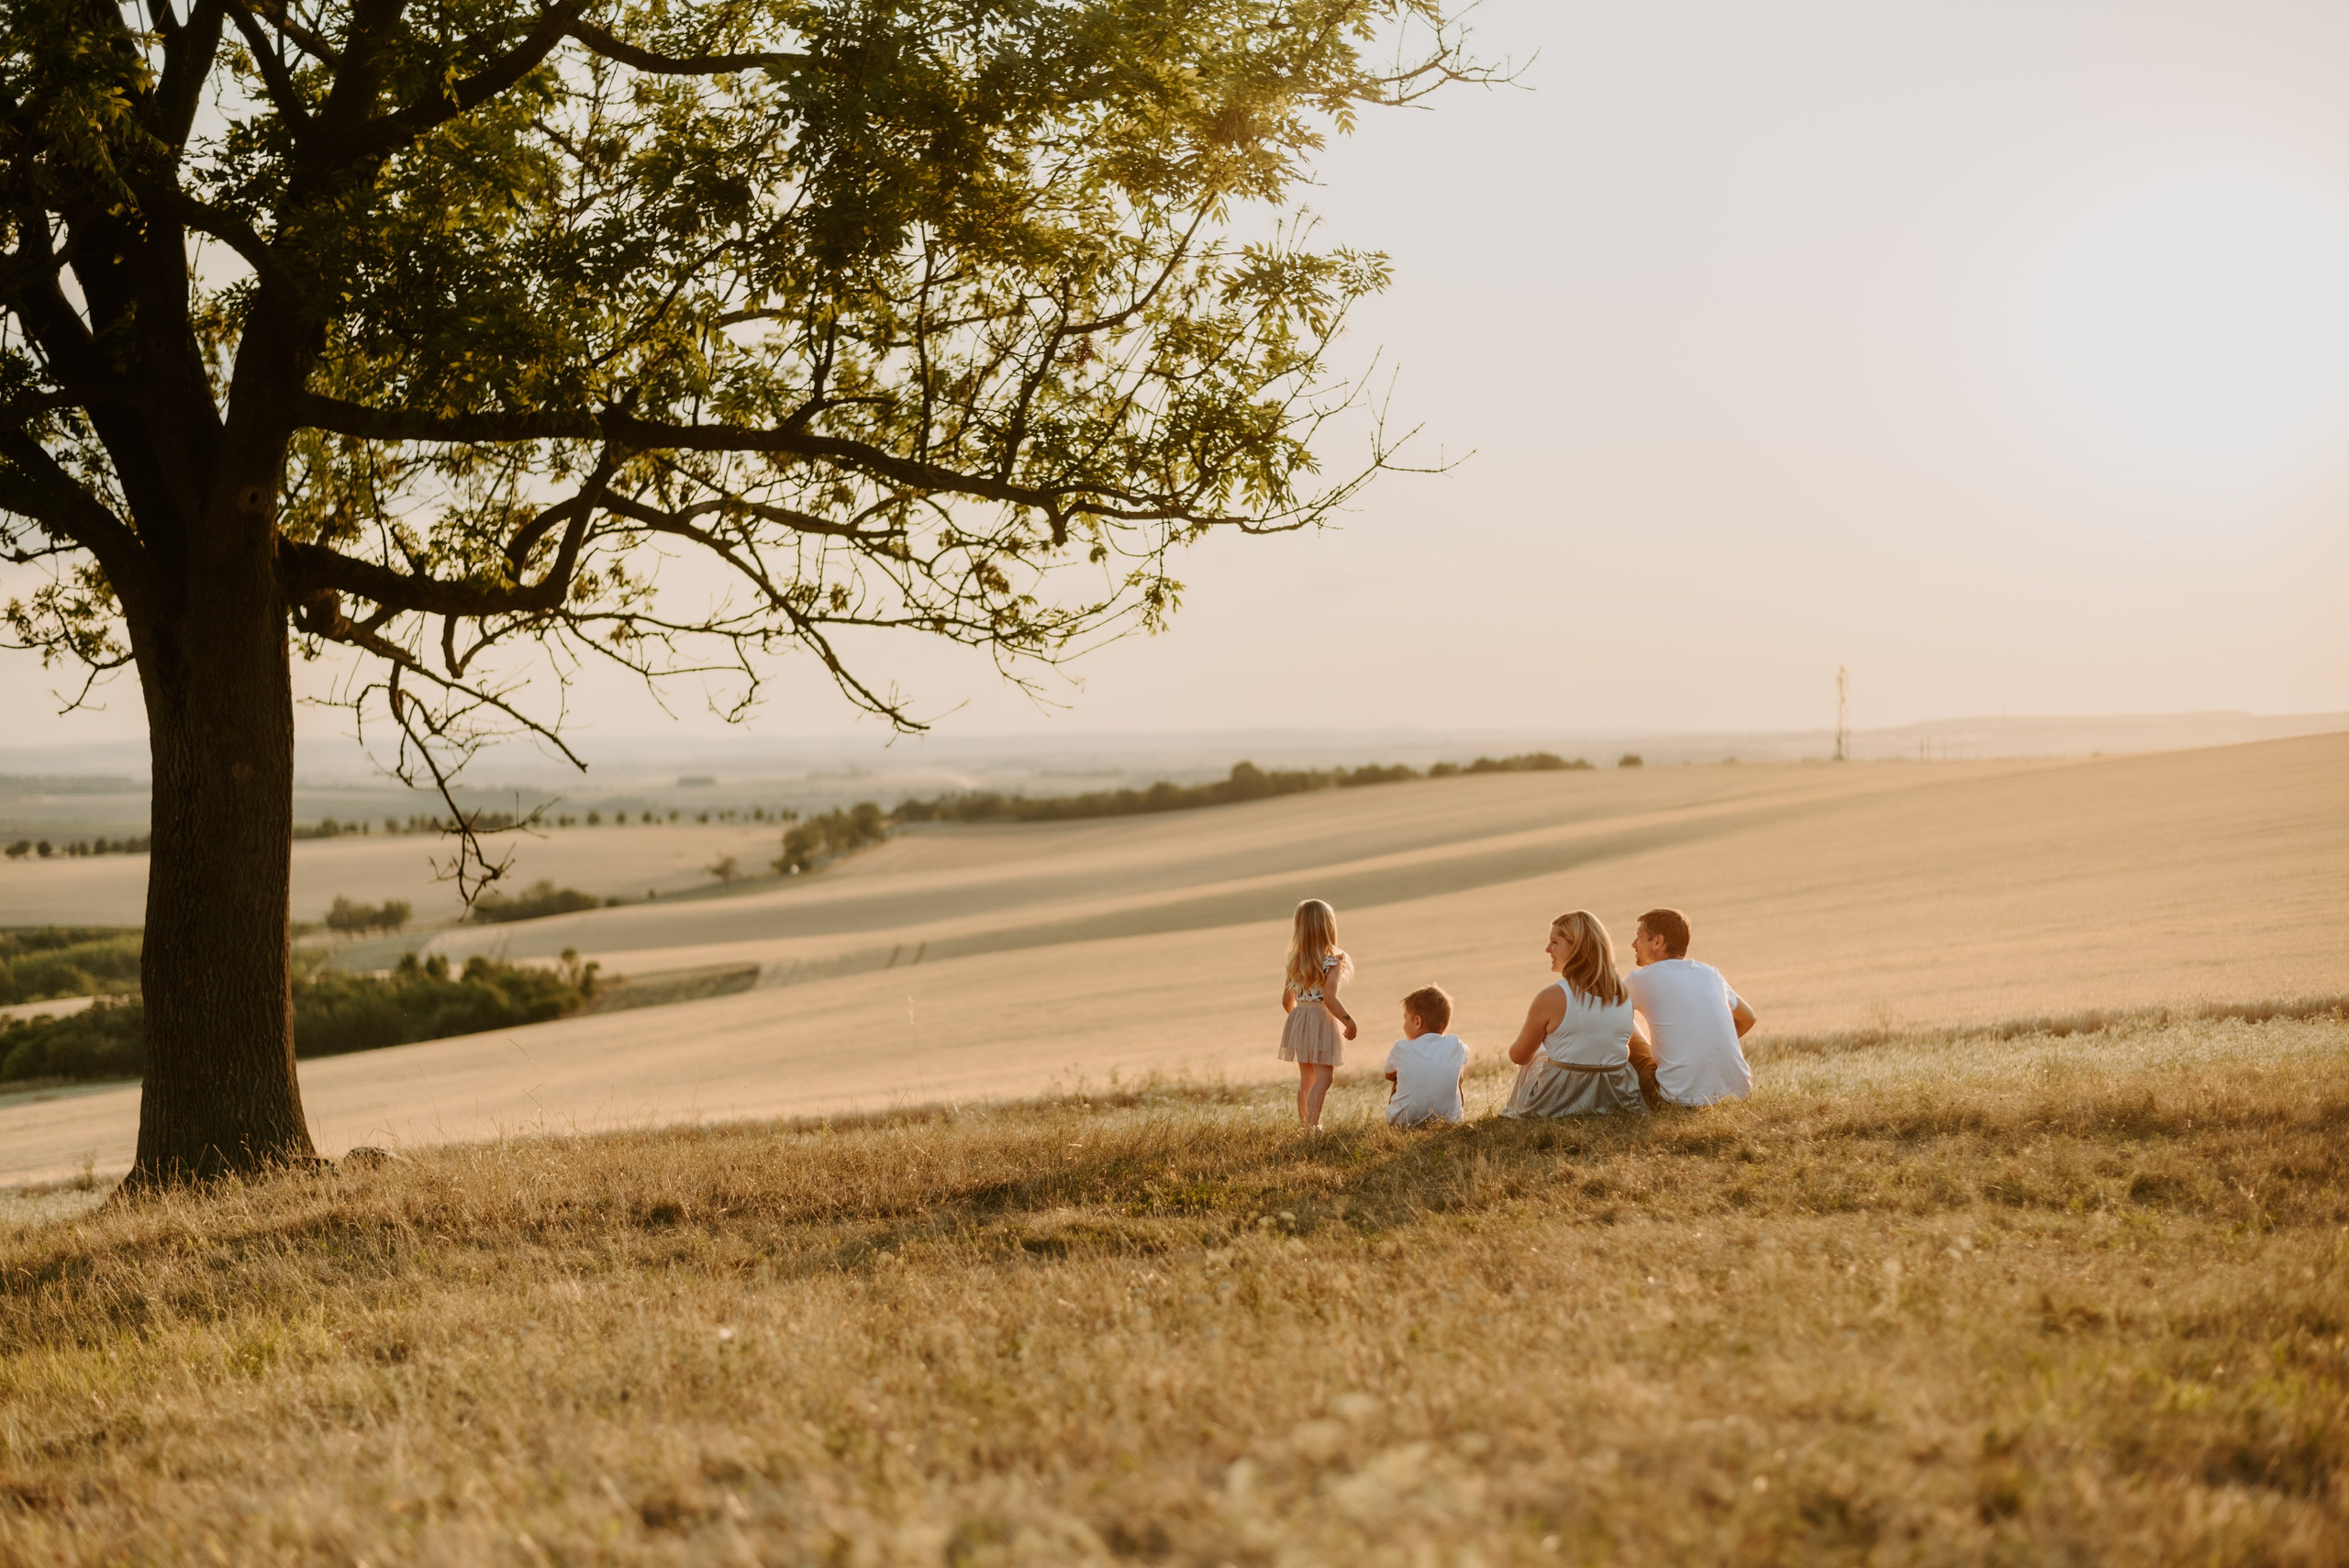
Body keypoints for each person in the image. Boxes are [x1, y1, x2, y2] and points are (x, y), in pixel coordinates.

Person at [1500, 910, 1646, 1118]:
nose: (1547, 949)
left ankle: (1518, 1111)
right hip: (1617, 1097)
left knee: (1539, 1053)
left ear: (1577, 948)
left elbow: (1518, 1056)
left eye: (1554, 942)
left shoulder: (1552, 996)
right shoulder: (1624, 995)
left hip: (1558, 1102)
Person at [1624, 906, 1756, 1106]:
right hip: (1740, 1095)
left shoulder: (1640, 980)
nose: (1633, 944)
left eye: (1639, 937)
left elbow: (1605, 1014)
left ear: (1658, 941)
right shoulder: (1710, 973)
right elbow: (1748, 1018)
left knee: (1631, 1029)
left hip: (1679, 1101)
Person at [1278, 897, 1356, 1129]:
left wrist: (1301, 1023)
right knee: (1324, 1078)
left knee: (1307, 1079)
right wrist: (1348, 1021)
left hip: (1299, 1019)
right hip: (1321, 1020)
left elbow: (1286, 1000)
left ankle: (1305, 1127)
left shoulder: (1294, 961)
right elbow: (1329, 999)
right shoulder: (1332, 962)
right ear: (1328, 926)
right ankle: (1313, 1127)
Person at [1383, 985, 1470, 1127]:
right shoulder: (1455, 1044)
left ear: (1418, 1022)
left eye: (1405, 1019)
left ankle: (1401, 1115)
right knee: (1458, 1066)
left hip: (1402, 1123)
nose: (1404, 1025)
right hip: (1449, 1122)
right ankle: (1454, 1115)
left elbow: (1388, 1075)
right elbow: (1466, 1053)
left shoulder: (1401, 1048)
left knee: (1398, 1075)